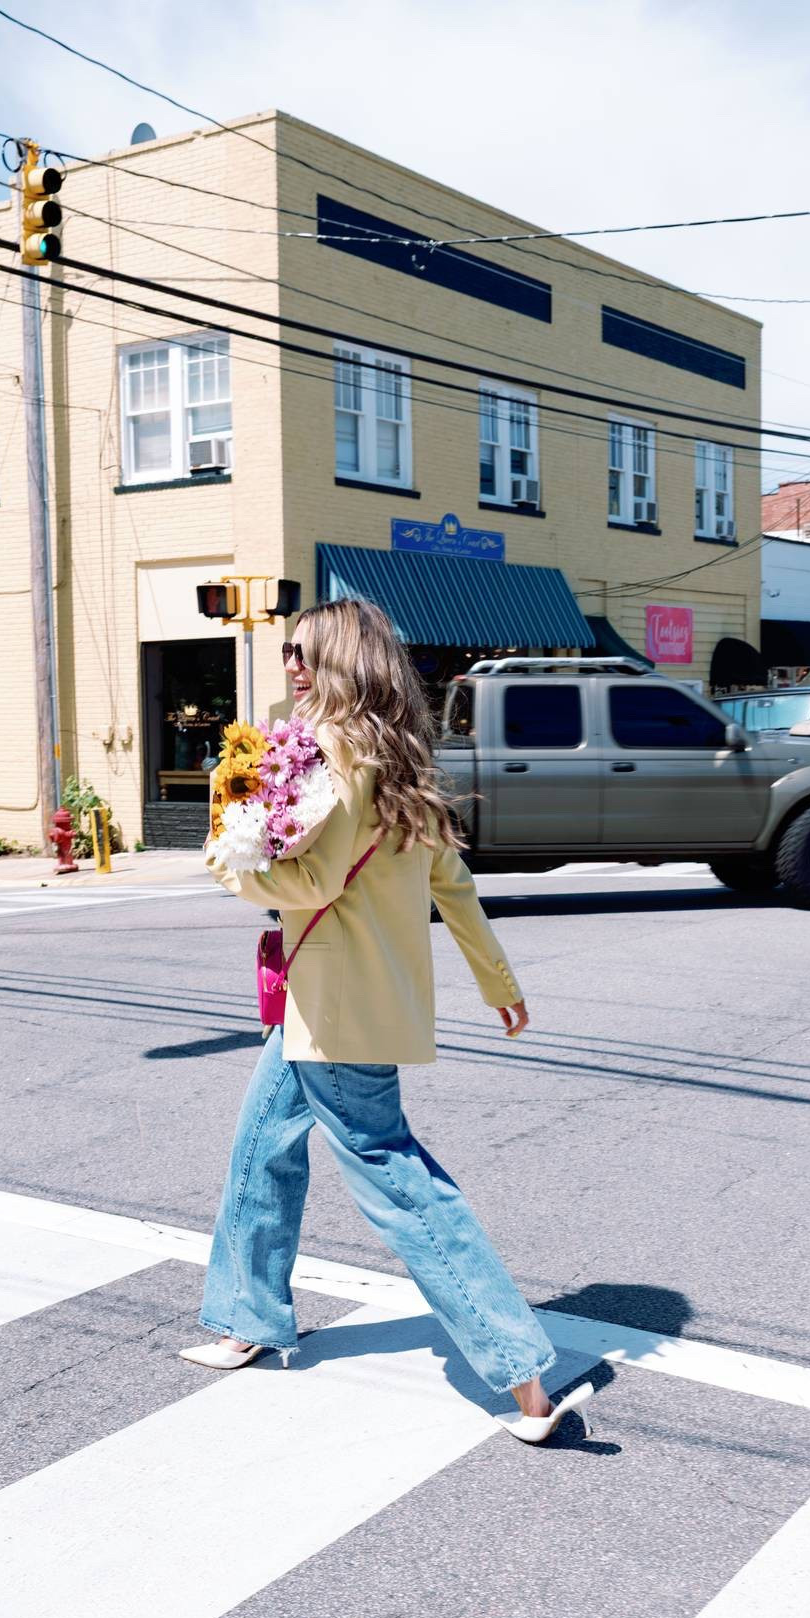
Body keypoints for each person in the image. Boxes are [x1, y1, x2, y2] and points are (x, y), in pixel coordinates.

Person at [181, 598, 591, 1444]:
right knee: (262, 1146)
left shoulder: (337, 754)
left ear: (344, 663)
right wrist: (496, 980)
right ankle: (245, 1318)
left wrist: (227, 855)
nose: (290, 664)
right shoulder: (401, 758)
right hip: (344, 1000)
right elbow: (453, 887)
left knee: (396, 1178)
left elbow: (308, 884)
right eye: (287, 650)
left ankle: (520, 1372)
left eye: (305, 652)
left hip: (334, 1010)